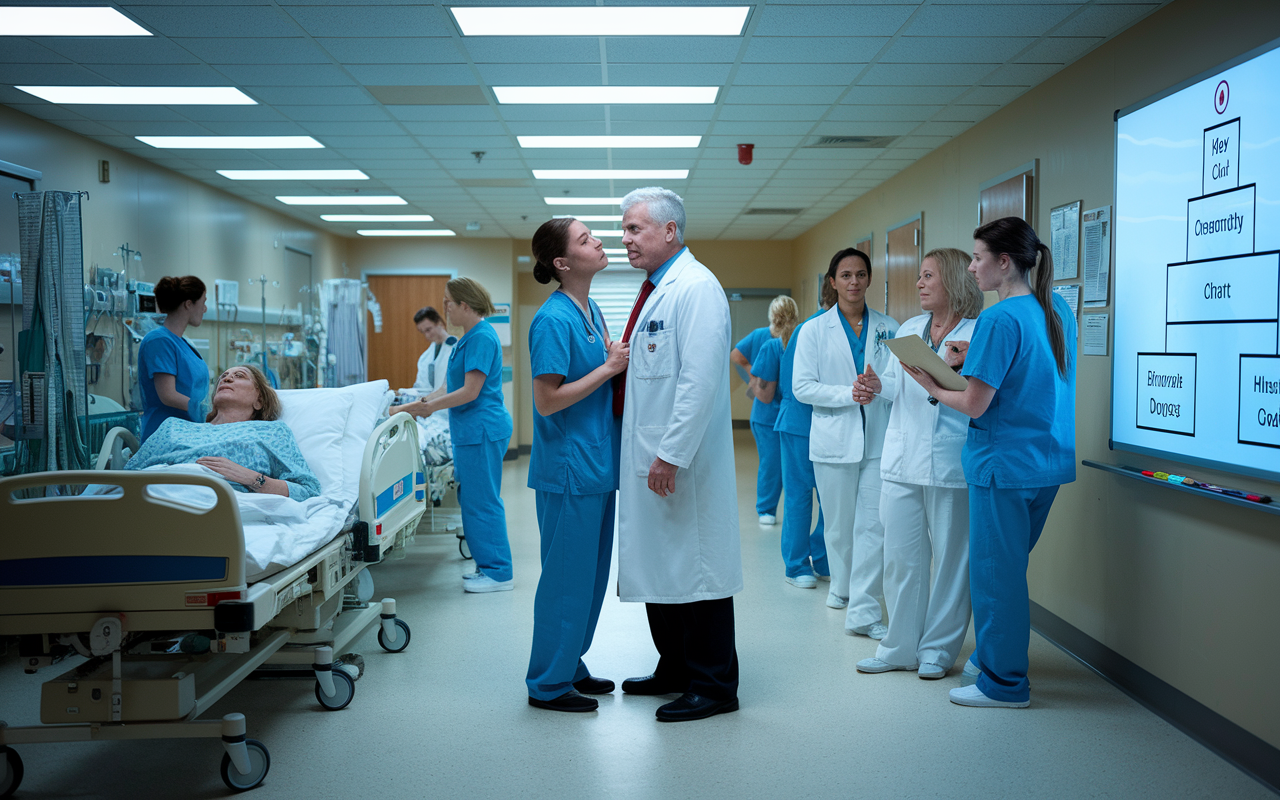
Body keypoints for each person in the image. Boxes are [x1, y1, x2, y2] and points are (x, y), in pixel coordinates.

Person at [901, 217, 1076, 709]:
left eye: (978, 258)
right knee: (1009, 569)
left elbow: (975, 404)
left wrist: (932, 383)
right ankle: (989, 659)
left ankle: (1003, 684)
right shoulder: (1057, 308)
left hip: (1003, 466)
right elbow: (1033, 371)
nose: (972, 266)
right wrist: (968, 354)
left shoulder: (1000, 318)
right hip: (1047, 461)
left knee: (997, 577)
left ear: (1004, 262)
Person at [615, 187, 742, 723]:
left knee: (697, 569)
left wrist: (669, 454)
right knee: (661, 567)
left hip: (680, 464)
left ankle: (714, 685)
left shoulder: (696, 289)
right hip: (653, 457)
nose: (625, 240)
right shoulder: (656, 290)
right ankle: (674, 668)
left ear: (670, 231)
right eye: (623, 231)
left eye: (634, 229)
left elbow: (699, 381)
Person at [851, 248, 983, 678]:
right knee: (901, 557)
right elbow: (899, 387)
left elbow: (978, 395)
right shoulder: (909, 329)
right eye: (920, 276)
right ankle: (898, 647)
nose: (920, 283)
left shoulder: (979, 332)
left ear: (954, 282)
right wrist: (876, 385)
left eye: (928, 276)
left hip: (949, 461)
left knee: (950, 561)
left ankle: (938, 651)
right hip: (902, 459)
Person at [524, 218, 630, 713]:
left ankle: (571, 664)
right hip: (568, 469)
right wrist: (610, 368)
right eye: (587, 240)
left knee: (588, 578)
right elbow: (547, 401)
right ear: (562, 263)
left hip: (595, 464)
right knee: (566, 580)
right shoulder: (553, 319)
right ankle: (547, 682)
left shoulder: (592, 310)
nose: (600, 241)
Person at [792, 248, 898, 639]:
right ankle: (841, 584)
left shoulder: (891, 328)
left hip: (878, 440)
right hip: (834, 437)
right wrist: (846, 394)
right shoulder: (814, 330)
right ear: (833, 281)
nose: (854, 282)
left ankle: (866, 602)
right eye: (846, 275)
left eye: (860, 274)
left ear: (869, 279)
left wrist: (879, 387)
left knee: (873, 523)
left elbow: (901, 381)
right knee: (837, 525)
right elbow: (802, 387)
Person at [399, 277, 514, 594]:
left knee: (482, 501)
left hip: (482, 429)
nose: (445, 308)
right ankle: (487, 565)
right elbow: (449, 387)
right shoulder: (468, 338)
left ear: (465, 305)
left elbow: (470, 391)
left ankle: (498, 572)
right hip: (471, 430)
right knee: (473, 499)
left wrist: (431, 407)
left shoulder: (480, 338)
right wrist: (417, 405)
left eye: (448, 302)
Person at [126, 364, 320, 501]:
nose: (226, 378)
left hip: (216, 507)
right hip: (149, 498)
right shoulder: (173, 427)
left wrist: (252, 478)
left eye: (240, 376)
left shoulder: (270, 432)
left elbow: (308, 491)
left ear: (259, 401)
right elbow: (124, 478)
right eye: (224, 376)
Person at [758, 290, 832, 589]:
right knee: (800, 495)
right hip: (799, 421)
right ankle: (797, 564)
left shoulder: (864, 328)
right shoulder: (806, 331)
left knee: (833, 499)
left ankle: (825, 558)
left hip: (834, 424)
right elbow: (780, 388)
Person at [138, 276, 210, 442]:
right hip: (165, 435)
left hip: (188, 432)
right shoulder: (159, 341)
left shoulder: (181, 343)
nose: (205, 309)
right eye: (203, 302)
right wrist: (205, 411)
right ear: (188, 304)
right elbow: (168, 395)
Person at [732, 320, 780, 524]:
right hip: (765, 412)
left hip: (787, 410)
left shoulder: (795, 337)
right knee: (771, 463)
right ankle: (766, 509)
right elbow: (736, 355)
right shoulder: (763, 337)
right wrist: (752, 374)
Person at [411, 305, 456, 396]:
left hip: (450, 406)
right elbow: (420, 386)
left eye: (428, 330)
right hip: (431, 406)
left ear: (439, 323)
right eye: (422, 332)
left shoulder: (456, 348)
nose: (427, 335)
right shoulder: (425, 357)